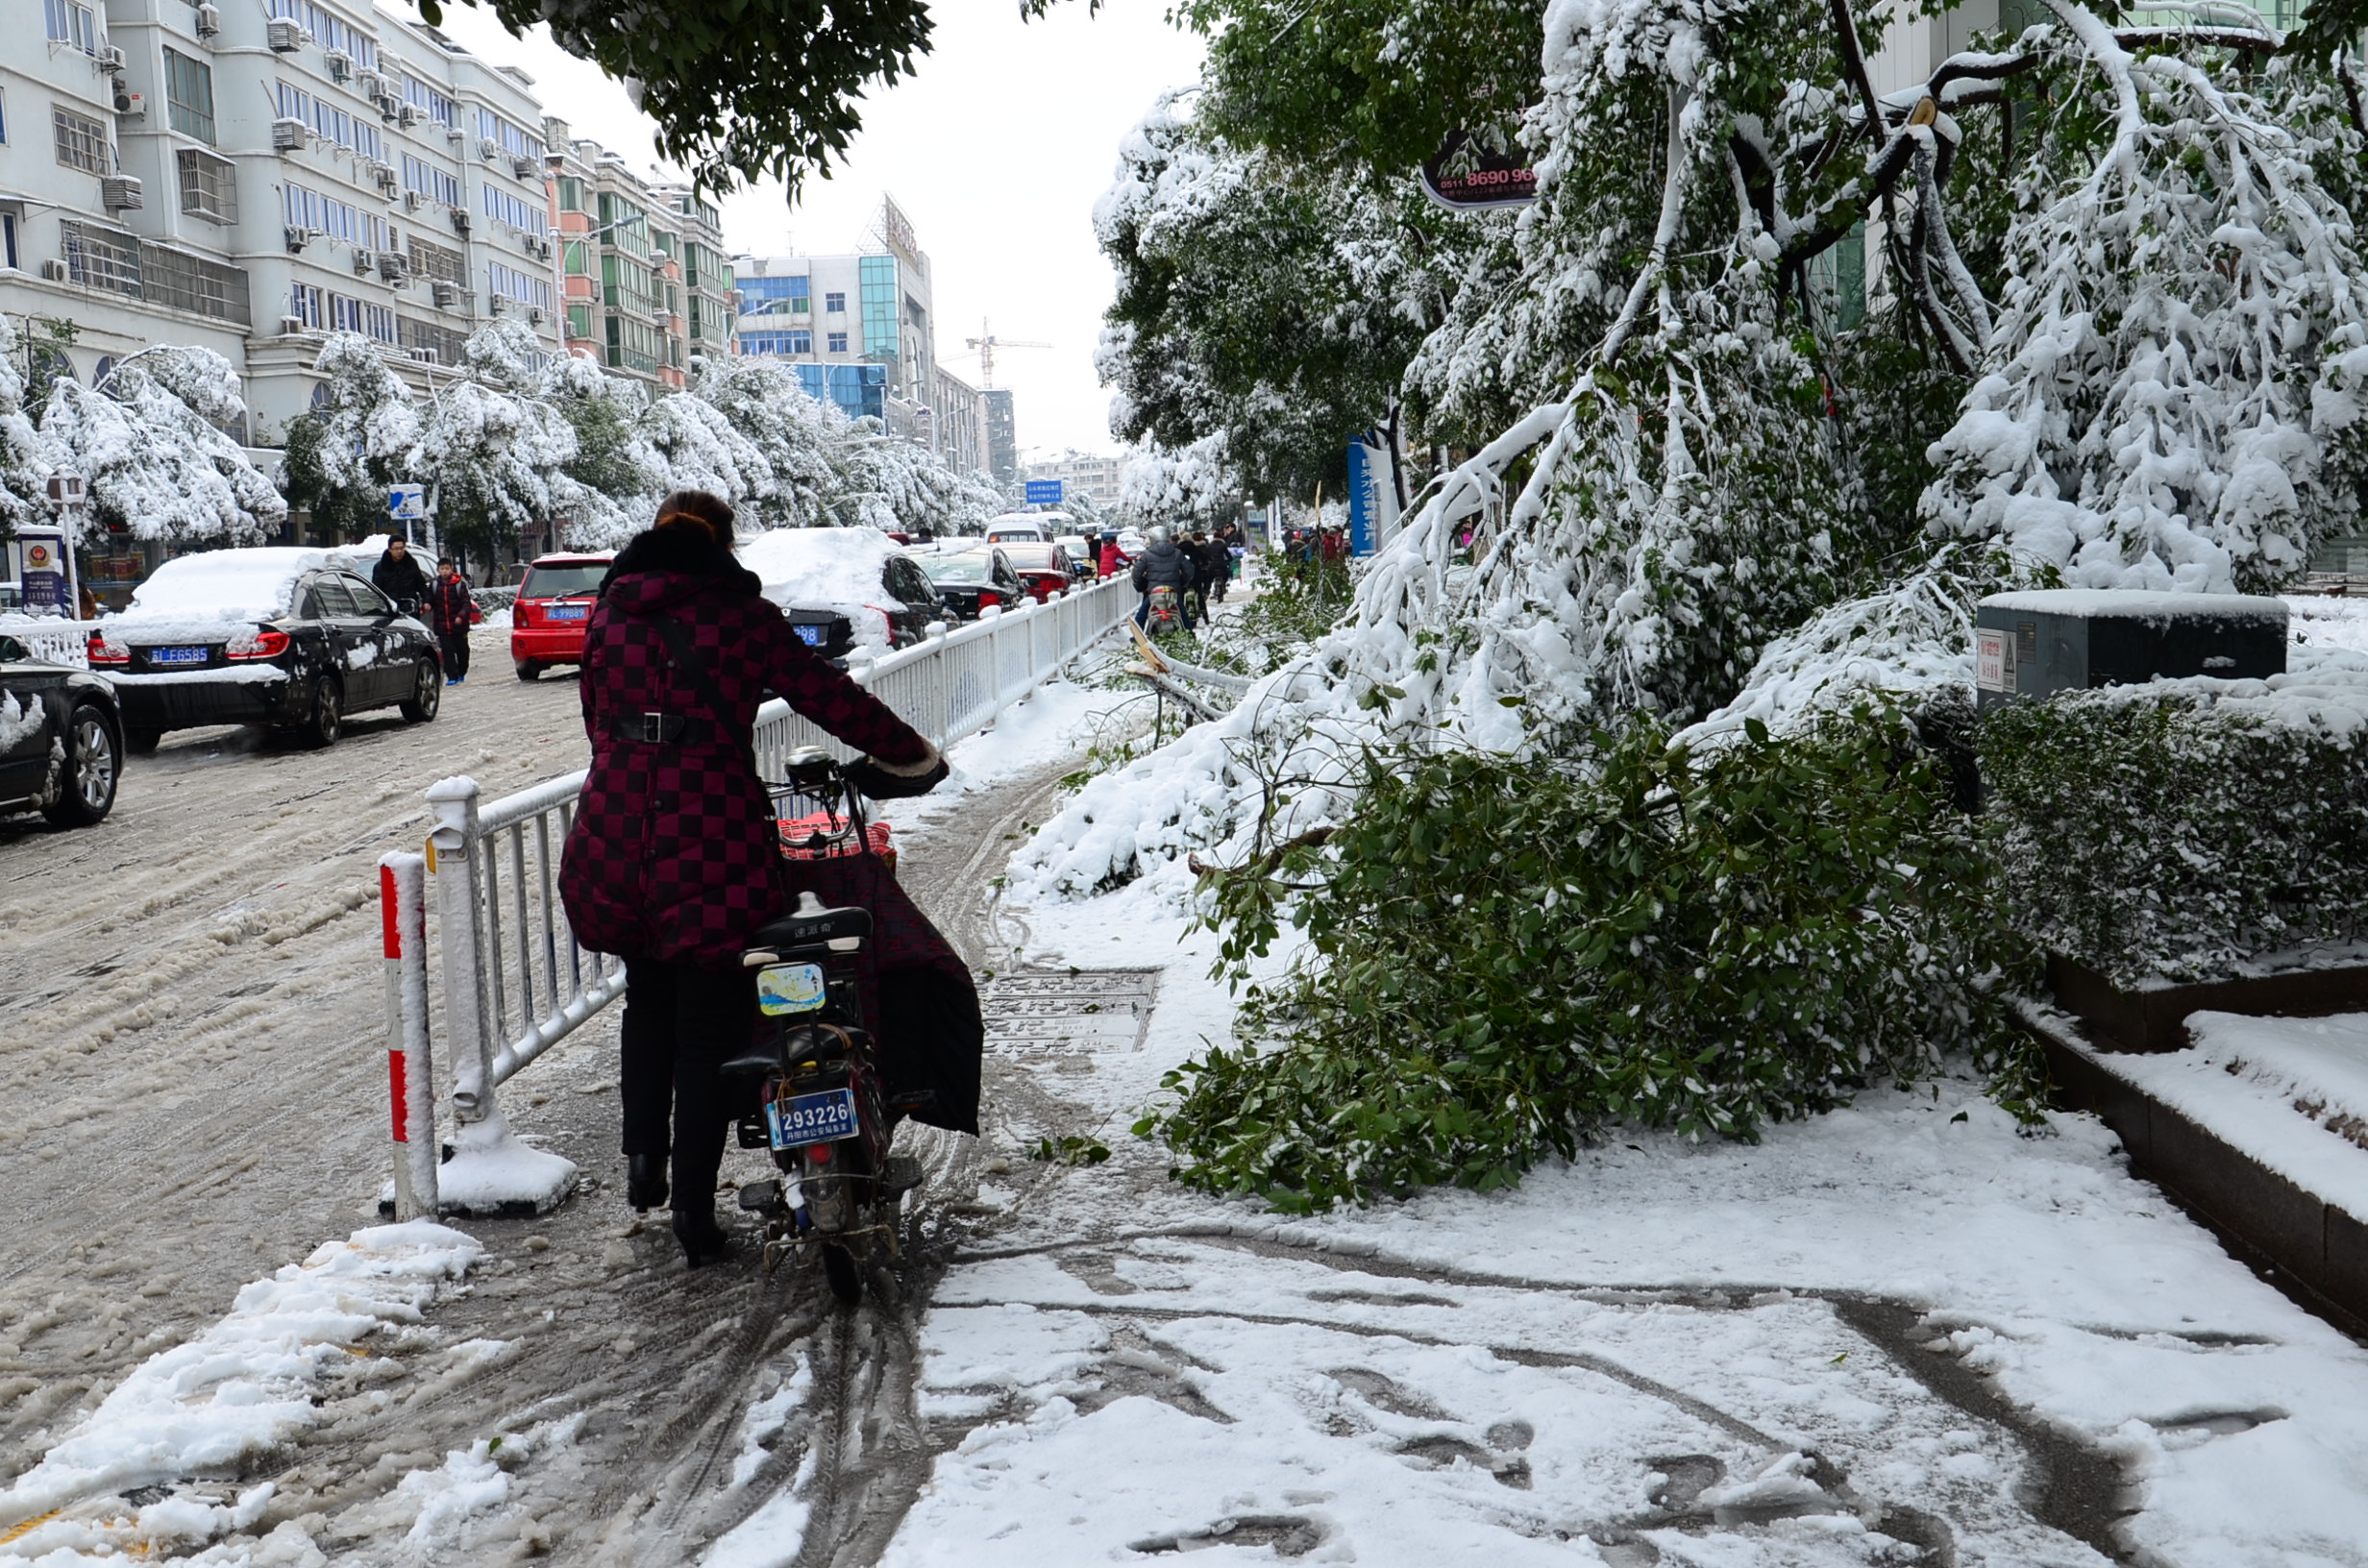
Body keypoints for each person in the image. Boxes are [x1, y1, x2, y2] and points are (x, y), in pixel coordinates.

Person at [557, 491, 948, 1267]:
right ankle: (694, 1215)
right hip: (710, 836)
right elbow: (828, 697)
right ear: (723, 545)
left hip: (613, 831)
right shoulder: (739, 614)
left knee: (648, 998)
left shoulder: (610, 613)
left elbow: (598, 722)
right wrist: (913, 754)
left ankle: (644, 1163)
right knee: (705, 1026)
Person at [1130, 524, 1196, 631]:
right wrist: (1182, 582)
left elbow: (1136, 573)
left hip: (1153, 593)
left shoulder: (1147, 554)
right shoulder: (1177, 553)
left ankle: (1137, 637)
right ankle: (1190, 635)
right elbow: (1189, 571)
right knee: (1183, 615)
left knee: (1141, 615)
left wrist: (1141, 584)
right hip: (1173, 592)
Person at [424, 555, 475, 684]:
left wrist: (461, 616)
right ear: (438, 570)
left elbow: (466, 603)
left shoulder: (459, 585)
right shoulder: (435, 585)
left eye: (447, 568)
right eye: (442, 569)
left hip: (459, 626)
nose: (445, 571)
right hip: (442, 626)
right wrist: (428, 604)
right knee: (447, 652)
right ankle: (451, 676)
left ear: (451, 569)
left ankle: (461, 671)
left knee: (462, 651)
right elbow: (430, 599)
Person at [372, 536, 430, 612]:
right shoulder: (381, 567)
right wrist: (383, 607)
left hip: (410, 607)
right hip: (391, 609)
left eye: (401, 548)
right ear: (390, 549)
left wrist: (427, 601)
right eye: (396, 549)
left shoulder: (411, 563)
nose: (399, 551)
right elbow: (376, 590)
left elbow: (421, 584)